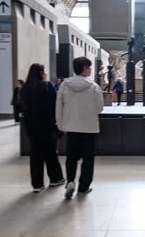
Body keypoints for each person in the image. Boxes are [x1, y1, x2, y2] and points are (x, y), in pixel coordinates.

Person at [56, 57, 104, 199]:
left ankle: (70, 181)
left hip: (71, 127)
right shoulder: (94, 86)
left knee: (71, 157)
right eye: (89, 67)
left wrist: (61, 124)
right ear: (84, 68)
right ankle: (84, 187)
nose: (90, 70)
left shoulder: (65, 85)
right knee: (88, 159)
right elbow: (100, 108)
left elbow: (59, 107)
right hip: (89, 128)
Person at [20, 64, 65, 193]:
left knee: (35, 155)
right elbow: (55, 106)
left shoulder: (25, 89)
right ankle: (56, 179)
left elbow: (23, 108)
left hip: (31, 127)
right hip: (47, 125)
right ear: (40, 73)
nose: (46, 73)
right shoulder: (47, 86)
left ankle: (37, 184)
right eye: (45, 71)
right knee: (50, 153)